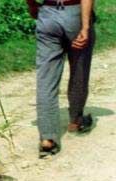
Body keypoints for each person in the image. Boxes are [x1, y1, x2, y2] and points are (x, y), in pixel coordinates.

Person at [26, 0, 96, 158]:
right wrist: (85, 27)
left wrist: (32, 5)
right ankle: (75, 121)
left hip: (47, 13)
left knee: (46, 80)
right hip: (75, 12)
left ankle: (47, 138)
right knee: (79, 70)